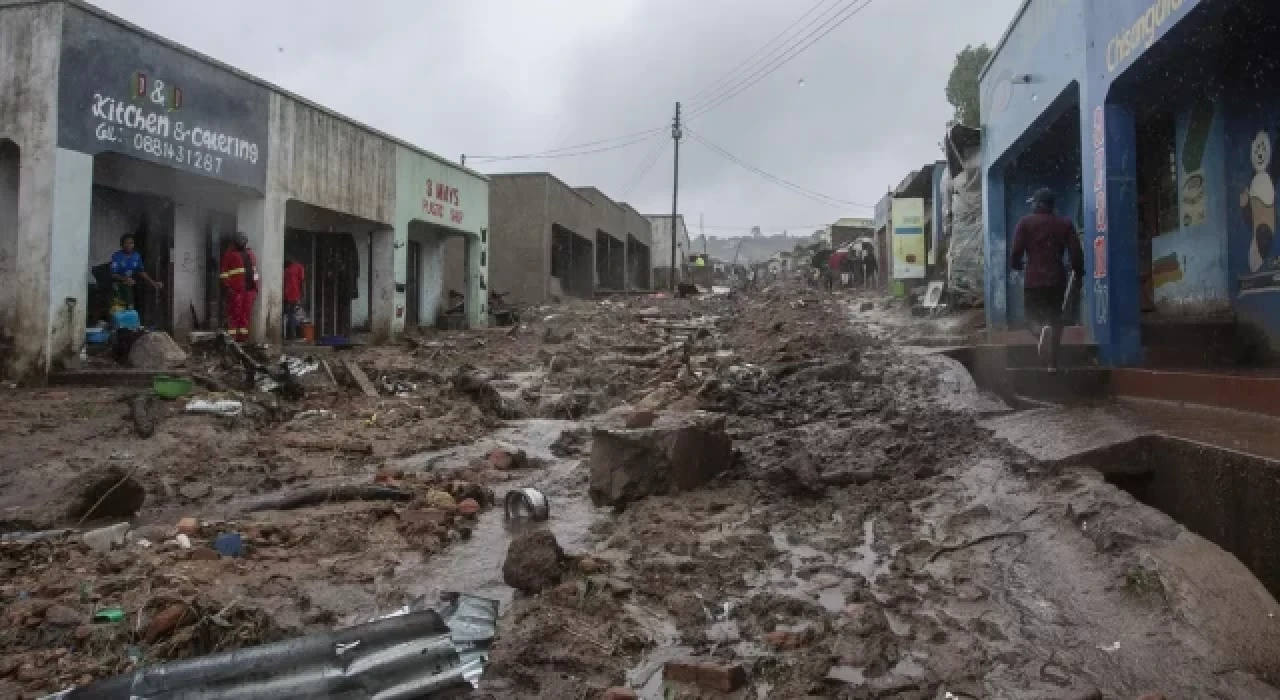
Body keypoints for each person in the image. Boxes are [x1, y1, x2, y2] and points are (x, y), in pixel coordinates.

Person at [1011, 188, 1084, 370]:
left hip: (1034, 279)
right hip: (1057, 279)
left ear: (1037, 204)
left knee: (1030, 318)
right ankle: (1052, 364)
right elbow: (1076, 253)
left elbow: (1016, 251)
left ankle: (1039, 332)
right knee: (1055, 318)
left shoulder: (1025, 223)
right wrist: (1078, 273)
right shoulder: (1065, 223)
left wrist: (1017, 264)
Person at [220, 233, 259, 343]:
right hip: (236, 290)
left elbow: (254, 272)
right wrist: (228, 287)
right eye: (239, 241)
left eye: (243, 241)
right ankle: (232, 340)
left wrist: (256, 288)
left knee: (245, 315)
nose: (242, 243)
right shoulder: (229, 254)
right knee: (234, 314)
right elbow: (224, 273)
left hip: (249, 290)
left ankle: (242, 339)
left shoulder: (250, 254)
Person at [109, 234, 162, 312]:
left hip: (129, 286)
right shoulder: (117, 256)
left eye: (131, 243)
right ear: (122, 245)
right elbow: (113, 274)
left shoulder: (136, 256)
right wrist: (125, 279)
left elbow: (141, 271)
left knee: (130, 308)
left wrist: (153, 283)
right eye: (127, 243)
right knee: (118, 310)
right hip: (117, 286)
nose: (130, 245)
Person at [283, 258, 305, 340]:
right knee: (289, 315)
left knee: (291, 315)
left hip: (293, 295)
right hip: (286, 295)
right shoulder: (286, 268)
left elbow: (302, 282)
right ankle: (290, 335)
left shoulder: (298, 267)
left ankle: (291, 335)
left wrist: (301, 295)